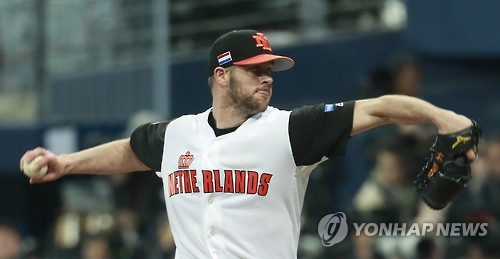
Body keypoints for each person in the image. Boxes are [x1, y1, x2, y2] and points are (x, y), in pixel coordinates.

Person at [20, 29, 477, 259]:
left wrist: (444, 117)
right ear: (221, 76)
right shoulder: (177, 134)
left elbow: (377, 108)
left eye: (269, 70)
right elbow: (130, 151)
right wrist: (66, 162)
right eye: (254, 69)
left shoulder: (291, 130)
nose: (266, 77)